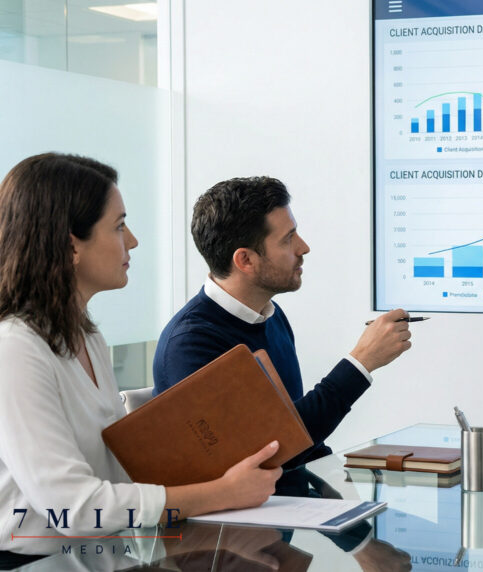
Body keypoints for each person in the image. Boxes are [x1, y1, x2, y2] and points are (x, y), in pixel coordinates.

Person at [0, 154, 280, 567]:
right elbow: (74, 508)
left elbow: (114, 469)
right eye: (117, 226)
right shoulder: (15, 349)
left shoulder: (85, 334)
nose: (132, 240)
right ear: (70, 243)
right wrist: (222, 491)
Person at [153, 176, 411, 497]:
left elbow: (304, 446)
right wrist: (360, 363)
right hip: (234, 534)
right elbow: (273, 447)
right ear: (245, 260)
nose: (304, 248)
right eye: (288, 239)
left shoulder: (271, 316)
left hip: (288, 519)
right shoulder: (190, 343)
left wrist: (356, 533)